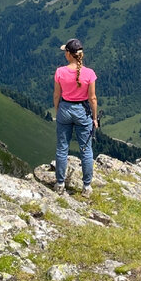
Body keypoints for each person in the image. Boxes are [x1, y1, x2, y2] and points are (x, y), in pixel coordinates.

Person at [53, 37, 98, 197]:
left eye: (65, 51)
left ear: (69, 54)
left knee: (62, 148)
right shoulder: (90, 74)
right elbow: (92, 98)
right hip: (82, 111)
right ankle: (86, 187)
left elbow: (57, 94)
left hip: (65, 108)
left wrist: (58, 110)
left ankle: (59, 184)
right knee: (86, 150)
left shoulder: (60, 72)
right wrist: (94, 118)